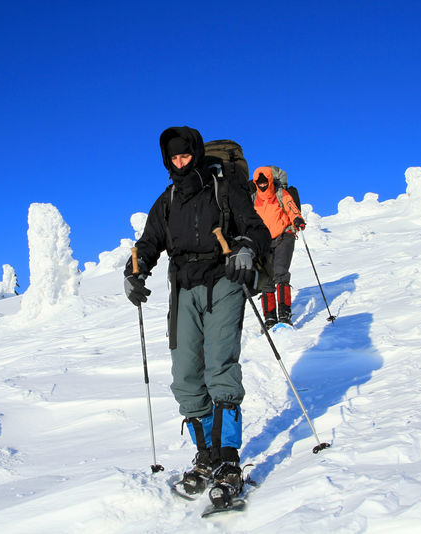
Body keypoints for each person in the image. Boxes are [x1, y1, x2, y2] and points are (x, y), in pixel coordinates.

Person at [123, 126, 270, 508]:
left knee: (219, 366)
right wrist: (134, 272)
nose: (179, 161)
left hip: (223, 280)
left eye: (184, 154)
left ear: (196, 152)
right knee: (186, 375)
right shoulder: (168, 199)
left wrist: (245, 249)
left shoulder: (223, 188)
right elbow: (149, 242)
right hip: (184, 289)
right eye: (172, 157)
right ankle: (206, 456)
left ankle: (228, 461)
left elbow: (255, 228)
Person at [250, 166, 306, 329]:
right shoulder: (253, 198)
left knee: (280, 272)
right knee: (266, 279)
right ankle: (269, 318)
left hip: (284, 236)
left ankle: (284, 314)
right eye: (258, 182)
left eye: (264, 181)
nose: (261, 185)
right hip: (263, 242)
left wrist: (297, 220)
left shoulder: (281, 194)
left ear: (269, 180)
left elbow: (292, 208)